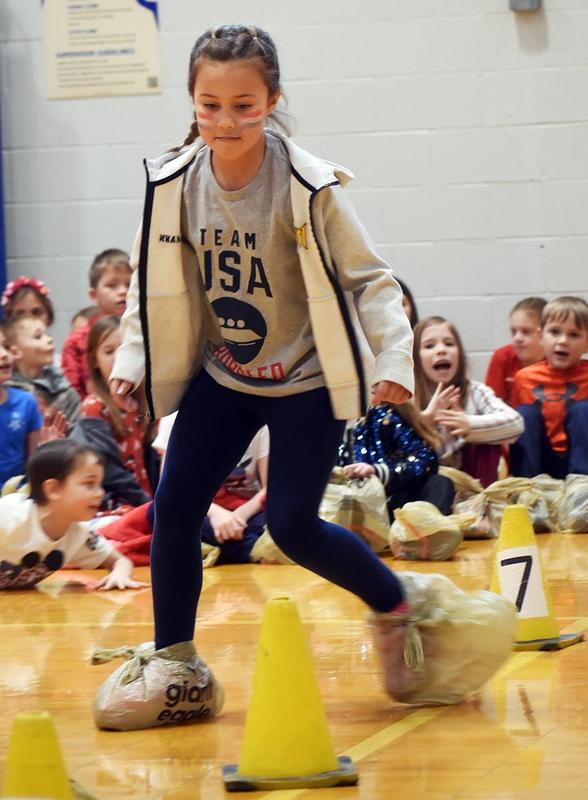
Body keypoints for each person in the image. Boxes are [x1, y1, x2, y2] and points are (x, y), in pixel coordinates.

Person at [92, 23, 417, 732]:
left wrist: (394, 363)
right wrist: (132, 364)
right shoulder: (175, 180)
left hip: (304, 377)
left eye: (244, 104)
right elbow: (158, 284)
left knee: (294, 526)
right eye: (210, 105)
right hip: (227, 372)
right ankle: (175, 659)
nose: (226, 121)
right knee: (176, 508)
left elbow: (373, 282)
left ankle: (396, 608)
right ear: (192, 102)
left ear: (272, 100)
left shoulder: (307, 184)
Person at [0, 439, 146, 590]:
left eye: (100, 484)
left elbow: (120, 561)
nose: (100, 493)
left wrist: (119, 575)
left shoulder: (80, 533)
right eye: (89, 484)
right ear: (53, 489)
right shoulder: (9, 515)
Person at [413, 316, 524, 486]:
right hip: (428, 487)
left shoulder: (475, 391)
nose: (441, 350)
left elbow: (516, 424)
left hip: (472, 485)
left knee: (487, 442)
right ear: (415, 358)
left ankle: (481, 504)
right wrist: (426, 421)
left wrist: (468, 426)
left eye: (449, 344)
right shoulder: (408, 398)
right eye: (429, 346)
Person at [71, 316, 153, 512]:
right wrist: (148, 504)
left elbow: (150, 459)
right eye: (109, 351)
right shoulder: (94, 406)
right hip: (116, 505)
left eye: (126, 350)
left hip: (145, 500)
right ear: (95, 361)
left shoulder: (141, 402)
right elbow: (108, 470)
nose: (119, 359)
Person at [510, 296, 588, 478]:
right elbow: (513, 429)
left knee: (583, 410)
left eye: (574, 334)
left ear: (587, 343)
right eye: (555, 332)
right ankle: (528, 485)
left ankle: (583, 487)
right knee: (524, 413)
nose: (562, 341)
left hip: (579, 457)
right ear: (541, 337)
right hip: (541, 459)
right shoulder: (525, 377)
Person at [339, 401, 454, 517]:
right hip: (354, 505)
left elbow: (425, 458)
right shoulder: (335, 422)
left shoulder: (384, 414)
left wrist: (379, 472)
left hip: (396, 500)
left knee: (439, 483)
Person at [61, 249, 131, 398]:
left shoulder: (142, 333)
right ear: (94, 295)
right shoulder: (77, 340)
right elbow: (72, 390)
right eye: (112, 285)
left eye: (129, 284)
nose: (123, 291)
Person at [4, 316, 81, 428]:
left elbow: (76, 432)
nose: (49, 339)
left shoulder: (65, 392)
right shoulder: (6, 392)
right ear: (15, 352)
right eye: (38, 337)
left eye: (47, 335)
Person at [0, 323, 44, 490]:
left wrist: (48, 448)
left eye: (5, 346)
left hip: (18, 498)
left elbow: (33, 463)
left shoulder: (26, 402)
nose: (4, 355)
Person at [485, 297, 546, 406]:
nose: (517, 338)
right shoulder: (502, 357)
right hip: (509, 420)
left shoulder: (556, 359)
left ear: (545, 333)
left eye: (526, 331)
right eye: (513, 331)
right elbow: (490, 406)